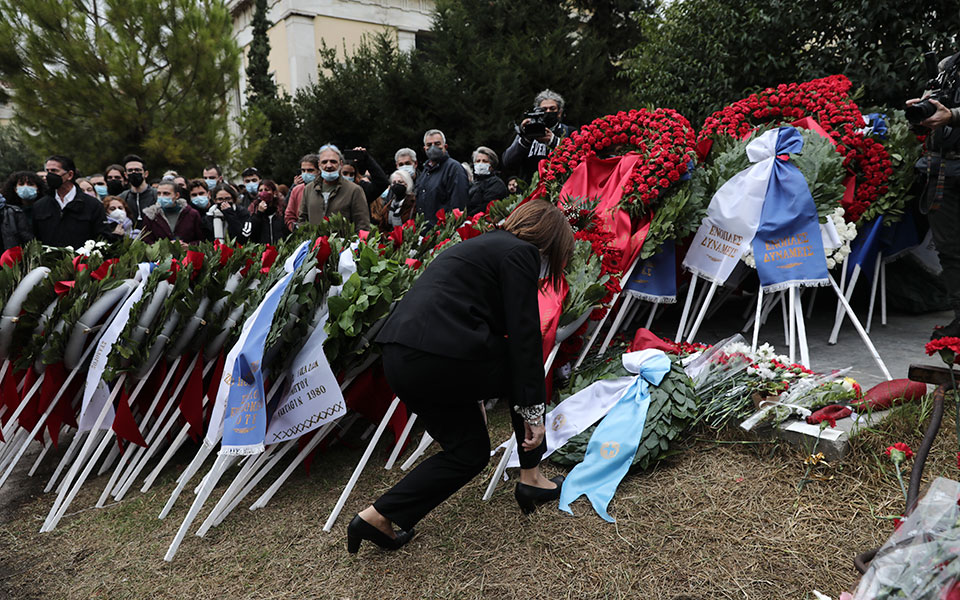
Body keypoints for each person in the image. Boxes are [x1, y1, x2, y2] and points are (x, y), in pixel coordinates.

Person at [347, 199, 574, 553]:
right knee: (520, 364)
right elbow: (524, 337)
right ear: (551, 241)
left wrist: (473, 392)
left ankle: (378, 516)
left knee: (468, 453)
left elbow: (468, 320)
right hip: (440, 357)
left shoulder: (477, 247)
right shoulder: (520, 253)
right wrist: (534, 415)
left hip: (402, 358)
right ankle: (532, 477)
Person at [909, 51, 960, 339]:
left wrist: (952, 115)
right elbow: (935, 105)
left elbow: (950, 113)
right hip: (943, 168)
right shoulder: (948, 66)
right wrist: (922, 112)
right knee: (950, 251)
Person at [32, 155, 115, 248]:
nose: (49, 175)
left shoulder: (92, 205)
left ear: (70, 175)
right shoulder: (40, 206)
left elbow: (103, 238)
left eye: (54, 171)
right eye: (48, 171)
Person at [502, 89, 572, 180]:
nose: (548, 112)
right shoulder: (527, 131)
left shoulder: (568, 131)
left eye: (552, 109)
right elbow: (507, 162)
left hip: (558, 187)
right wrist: (525, 139)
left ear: (559, 112)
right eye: (543, 109)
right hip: (530, 188)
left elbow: (575, 158)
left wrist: (553, 141)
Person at [298, 144, 370, 230]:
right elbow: (302, 220)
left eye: (333, 161)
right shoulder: (308, 189)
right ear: (319, 165)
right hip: (315, 243)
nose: (329, 165)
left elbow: (362, 224)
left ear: (341, 163)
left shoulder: (354, 190)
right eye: (324, 162)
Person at [414, 129, 468, 226]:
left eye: (437, 144)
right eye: (429, 145)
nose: (433, 147)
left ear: (445, 146)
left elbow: (458, 204)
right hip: (425, 232)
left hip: (443, 231)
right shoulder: (425, 171)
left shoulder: (454, 168)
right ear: (424, 148)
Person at [140, 180, 205, 245]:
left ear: (177, 195)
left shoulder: (192, 214)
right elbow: (146, 242)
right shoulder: (151, 216)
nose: (161, 196)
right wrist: (163, 247)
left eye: (166, 193)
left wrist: (189, 246)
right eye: (159, 193)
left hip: (187, 254)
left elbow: (201, 240)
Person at [117, 154, 157, 228]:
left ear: (146, 174)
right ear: (125, 175)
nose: (133, 172)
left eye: (137, 170)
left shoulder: (156, 195)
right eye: (130, 170)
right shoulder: (122, 198)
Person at [467, 146, 508, 215]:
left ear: (491, 165)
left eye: (484, 161)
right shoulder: (473, 184)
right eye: (478, 161)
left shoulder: (496, 184)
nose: (480, 164)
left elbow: (486, 207)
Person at [284, 154, 319, 232]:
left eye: (310, 170)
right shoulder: (296, 190)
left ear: (319, 171)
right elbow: (289, 215)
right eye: (303, 170)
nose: (306, 173)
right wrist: (295, 228)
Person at [249, 179, 289, 244]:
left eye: (266, 190)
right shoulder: (253, 210)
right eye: (260, 190)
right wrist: (259, 213)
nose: (263, 193)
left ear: (274, 193)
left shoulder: (282, 211)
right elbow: (252, 233)